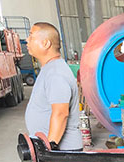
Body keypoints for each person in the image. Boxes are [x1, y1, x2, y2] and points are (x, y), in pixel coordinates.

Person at [24, 22, 82, 151]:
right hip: (54, 149)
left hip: (62, 150)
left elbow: (61, 113)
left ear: (46, 43)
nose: (27, 40)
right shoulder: (50, 69)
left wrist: (49, 149)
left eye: (31, 36)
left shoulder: (56, 73)